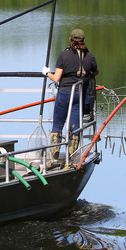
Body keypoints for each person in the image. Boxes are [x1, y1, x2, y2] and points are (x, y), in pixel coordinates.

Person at [42, 28, 99, 163]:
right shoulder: (89, 57)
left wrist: (46, 73)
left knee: (57, 126)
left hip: (64, 94)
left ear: (70, 40)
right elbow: (95, 72)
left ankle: (54, 159)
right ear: (83, 40)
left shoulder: (63, 56)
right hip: (80, 94)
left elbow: (56, 78)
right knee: (75, 127)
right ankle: (70, 158)